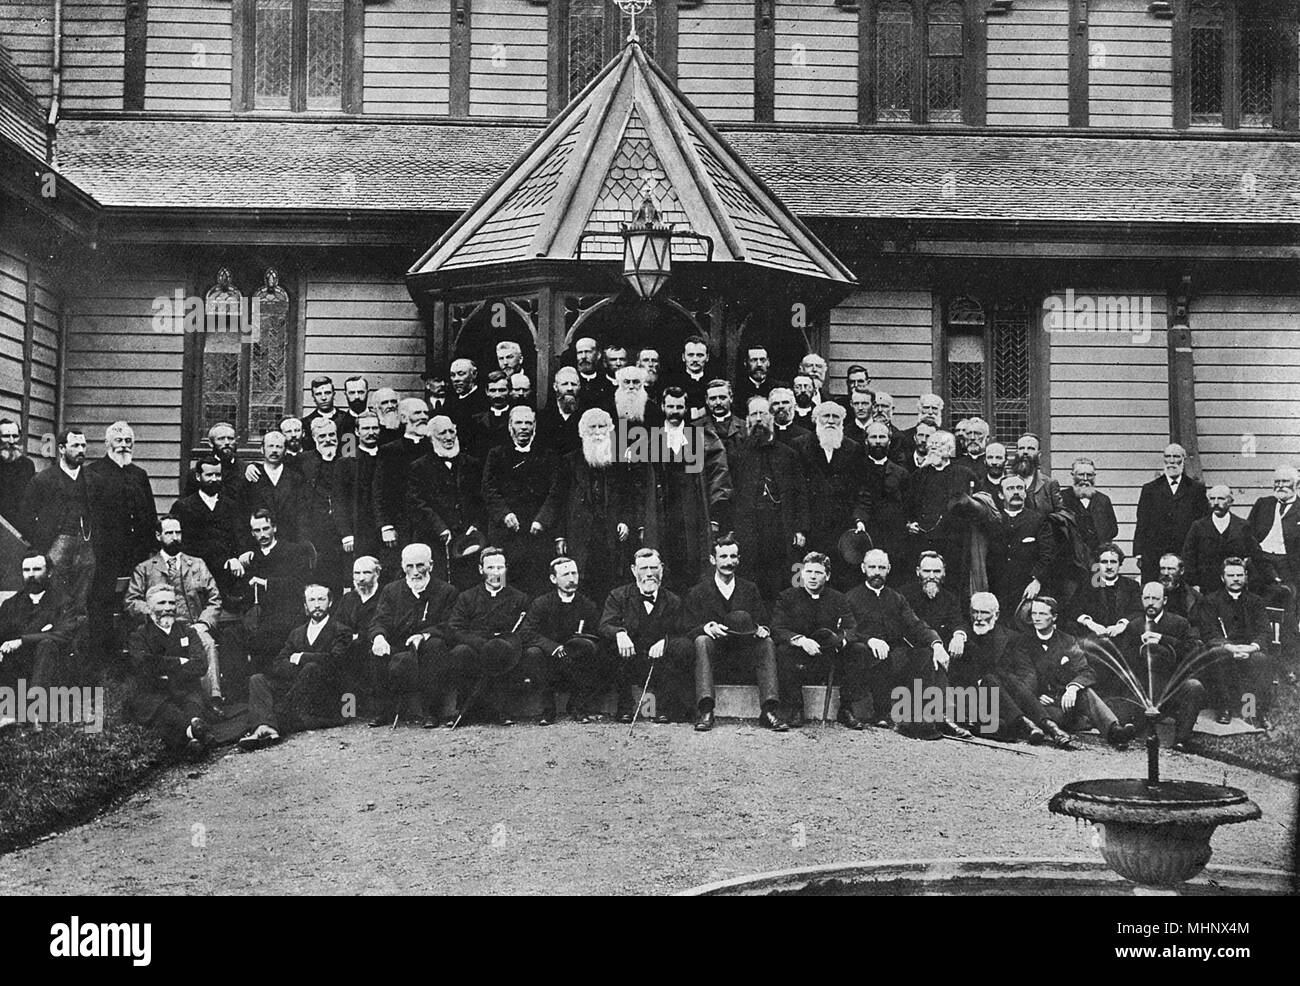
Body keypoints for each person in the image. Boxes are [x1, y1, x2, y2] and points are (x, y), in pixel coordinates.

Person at [846, 549, 965, 738]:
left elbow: (916, 624)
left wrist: (936, 644)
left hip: (894, 656)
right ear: (863, 568)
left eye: (882, 567)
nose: (877, 572)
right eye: (872, 567)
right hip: (866, 656)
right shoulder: (851, 597)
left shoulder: (896, 598)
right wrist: (869, 639)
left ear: (889, 569)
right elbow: (848, 630)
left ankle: (925, 721)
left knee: (926, 655)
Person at [1001, 597, 1135, 749]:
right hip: (1039, 706)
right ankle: (1081, 722)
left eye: (1042, 614)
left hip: (1064, 700)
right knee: (1060, 717)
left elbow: (1086, 670)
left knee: (1085, 691)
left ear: (1054, 617)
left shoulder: (1067, 640)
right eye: (1034, 613)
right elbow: (1023, 676)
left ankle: (1115, 730)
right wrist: (1036, 696)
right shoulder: (1022, 642)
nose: (1037, 618)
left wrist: (1072, 688)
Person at [685, 536, 788, 732]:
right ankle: (706, 710)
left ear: (739, 560)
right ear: (712, 560)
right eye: (723, 556)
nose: (728, 561)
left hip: (745, 655)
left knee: (767, 643)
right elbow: (687, 628)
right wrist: (708, 628)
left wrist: (761, 629)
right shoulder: (699, 591)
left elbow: (765, 622)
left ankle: (769, 710)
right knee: (701, 640)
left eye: (733, 556)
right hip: (716, 658)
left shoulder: (749, 589)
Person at [545, 408, 646, 600]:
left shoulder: (620, 460)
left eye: (602, 426)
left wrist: (626, 521)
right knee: (582, 584)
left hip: (612, 534)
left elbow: (630, 496)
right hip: (581, 534)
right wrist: (560, 536)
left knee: (613, 582)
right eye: (593, 427)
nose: (598, 431)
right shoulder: (570, 461)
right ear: (583, 431)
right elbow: (558, 500)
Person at [124, 515, 223, 703]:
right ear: (158, 536)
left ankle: (213, 700)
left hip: (193, 626)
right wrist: (154, 612)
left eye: (178, 532)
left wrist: (204, 622)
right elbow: (132, 601)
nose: (175, 537)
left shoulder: (197, 564)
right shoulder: (145, 568)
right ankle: (178, 700)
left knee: (207, 643)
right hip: (162, 629)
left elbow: (214, 598)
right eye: (169, 533)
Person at [239, 584, 350, 750]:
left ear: (330, 603)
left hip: (323, 696)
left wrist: (301, 658)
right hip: (296, 690)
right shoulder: (297, 633)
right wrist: (300, 666)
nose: (317, 604)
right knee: (257, 679)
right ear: (305, 605)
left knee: (311, 668)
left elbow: (335, 660)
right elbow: (278, 663)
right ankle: (266, 726)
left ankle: (269, 722)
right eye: (312, 600)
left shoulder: (341, 630)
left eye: (321, 599)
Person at [771, 552, 870, 729]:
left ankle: (846, 709)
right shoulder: (787, 597)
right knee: (783, 651)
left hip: (830, 658)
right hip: (801, 658)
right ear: (802, 573)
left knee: (858, 649)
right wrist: (800, 641)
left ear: (827, 576)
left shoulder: (838, 599)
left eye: (818, 573)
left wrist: (839, 640)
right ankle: (795, 709)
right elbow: (778, 629)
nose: (813, 577)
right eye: (808, 572)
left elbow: (851, 628)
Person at [367, 543, 459, 728]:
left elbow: (451, 626)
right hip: (400, 644)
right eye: (409, 566)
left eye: (420, 565)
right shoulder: (391, 591)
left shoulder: (446, 591)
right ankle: (384, 711)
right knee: (377, 650)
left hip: (430, 644)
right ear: (403, 566)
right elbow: (379, 620)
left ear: (431, 565)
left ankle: (431, 713)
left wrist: (425, 635)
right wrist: (379, 637)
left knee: (435, 646)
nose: (415, 572)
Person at [599, 548, 695, 724]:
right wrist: (620, 634)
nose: (649, 574)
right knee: (610, 645)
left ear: (662, 569)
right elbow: (605, 625)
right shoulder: (618, 596)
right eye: (643, 568)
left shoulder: (673, 600)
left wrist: (665, 642)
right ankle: (625, 707)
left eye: (654, 568)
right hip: (629, 661)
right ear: (633, 570)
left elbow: (683, 632)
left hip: (660, 664)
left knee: (683, 647)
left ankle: (663, 708)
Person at [649, 387, 730, 592]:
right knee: (666, 563)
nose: (675, 411)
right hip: (664, 513)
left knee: (694, 563)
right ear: (663, 407)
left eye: (679, 407)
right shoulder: (652, 440)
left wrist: (715, 516)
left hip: (694, 513)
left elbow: (719, 475)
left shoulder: (702, 437)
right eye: (670, 406)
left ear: (686, 409)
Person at [728, 396, 808, 601]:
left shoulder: (788, 454)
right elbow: (731, 493)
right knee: (751, 576)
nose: (758, 419)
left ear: (771, 417)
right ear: (747, 420)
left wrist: (800, 527)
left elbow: (800, 492)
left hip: (780, 526)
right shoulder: (738, 454)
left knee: (782, 576)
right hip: (749, 527)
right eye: (754, 414)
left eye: (763, 414)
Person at [1111, 581, 1207, 751]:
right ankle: (1130, 730)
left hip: (1171, 689)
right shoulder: (1134, 626)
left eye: (1155, 598)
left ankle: (1181, 740)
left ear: (1164, 600)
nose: (1150, 603)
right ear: (1141, 599)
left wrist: (1162, 638)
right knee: (1122, 727)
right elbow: (1124, 660)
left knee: (1194, 687)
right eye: (1146, 598)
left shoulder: (1179, 623)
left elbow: (1193, 650)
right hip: (1143, 691)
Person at [443, 547, 531, 725]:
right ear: (480, 570)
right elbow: (455, 628)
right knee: (460, 653)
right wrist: (481, 643)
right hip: (476, 648)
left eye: (500, 568)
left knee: (504, 654)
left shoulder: (519, 598)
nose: (496, 573)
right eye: (490, 568)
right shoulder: (467, 597)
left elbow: (526, 629)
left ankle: (502, 710)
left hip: (506, 650)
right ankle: (464, 709)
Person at [482, 406, 561, 597]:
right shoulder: (496, 454)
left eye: (528, 423)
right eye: (519, 423)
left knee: (537, 582)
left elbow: (556, 491)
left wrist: (542, 519)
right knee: (500, 579)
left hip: (538, 532)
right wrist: (504, 514)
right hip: (505, 532)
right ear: (510, 427)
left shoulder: (548, 455)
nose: (524, 427)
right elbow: (488, 488)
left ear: (535, 426)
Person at [20, 427, 101, 611]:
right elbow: (26, 517)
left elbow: (103, 516)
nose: (81, 450)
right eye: (75, 446)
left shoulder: (94, 480)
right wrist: (42, 540)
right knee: (54, 599)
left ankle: (78, 638)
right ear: (62, 449)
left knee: (81, 601)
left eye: (83, 445)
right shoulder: (43, 480)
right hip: (55, 546)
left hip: (86, 546)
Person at [123, 585, 210, 757]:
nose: (168, 607)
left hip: (186, 691)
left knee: (194, 706)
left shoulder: (188, 631)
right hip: (155, 694)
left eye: (172, 602)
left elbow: (200, 665)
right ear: (148, 608)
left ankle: (192, 735)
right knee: (167, 713)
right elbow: (144, 666)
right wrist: (180, 661)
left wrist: (164, 669)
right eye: (162, 603)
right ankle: (195, 736)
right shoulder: (139, 636)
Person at [790, 402, 869, 584]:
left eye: (836, 417)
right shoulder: (799, 446)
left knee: (839, 580)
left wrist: (859, 518)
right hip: (809, 528)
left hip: (841, 528)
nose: (831, 421)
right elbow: (793, 490)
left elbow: (862, 489)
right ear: (816, 419)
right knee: (804, 579)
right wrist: (799, 527)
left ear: (842, 421)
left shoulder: (853, 448)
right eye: (826, 416)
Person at [520, 556, 606, 723]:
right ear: (553, 579)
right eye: (566, 574)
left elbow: (597, 635)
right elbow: (527, 633)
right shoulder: (541, 603)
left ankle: (578, 706)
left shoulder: (587, 605)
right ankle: (548, 710)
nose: (572, 579)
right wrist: (553, 647)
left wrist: (579, 645)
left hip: (576, 662)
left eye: (574, 573)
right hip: (549, 661)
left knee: (592, 650)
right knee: (533, 653)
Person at [228, 509, 314, 672]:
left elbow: (298, 584)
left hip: (285, 614)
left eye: (265, 528)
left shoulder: (292, 551)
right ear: (252, 533)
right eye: (257, 531)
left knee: (267, 636)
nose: (262, 535)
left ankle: (262, 681)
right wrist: (235, 562)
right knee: (230, 636)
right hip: (256, 617)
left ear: (274, 528)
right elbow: (241, 592)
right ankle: (238, 693)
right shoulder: (251, 557)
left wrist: (266, 583)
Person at [407, 415, 485, 590]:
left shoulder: (471, 464)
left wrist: (475, 524)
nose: (449, 437)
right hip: (435, 538)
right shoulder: (419, 467)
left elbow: (481, 499)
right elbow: (416, 502)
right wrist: (439, 528)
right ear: (432, 436)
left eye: (452, 431)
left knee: (469, 583)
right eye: (443, 433)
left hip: (468, 538)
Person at [0, 554, 83, 716]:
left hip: (50, 668)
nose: (31, 574)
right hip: (17, 667)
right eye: (26, 570)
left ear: (49, 572)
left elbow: (64, 635)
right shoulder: (11, 604)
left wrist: (22, 640)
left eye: (37, 569)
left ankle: (36, 712)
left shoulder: (64, 602)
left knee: (47, 644)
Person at [1198, 557, 1273, 729]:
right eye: (1231, 575)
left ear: (1246, 576)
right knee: (1218, 654)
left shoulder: (1255, 601)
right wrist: (1230, 647)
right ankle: (1224, 708)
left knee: (1260, 659)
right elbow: (1209, 632)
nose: (1236, 579)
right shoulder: (1210, 601)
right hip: (1225, 649)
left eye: (1240, 575)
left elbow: (1264, 631)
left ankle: (1253, 711)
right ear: (1222, 578)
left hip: (1249, 650)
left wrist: (1251, 647)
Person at [974, 473, 1055, 620]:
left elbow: (1048, 554)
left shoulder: (1037, 520)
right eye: (1010, 489)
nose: (1016, 492)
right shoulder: (992, 521)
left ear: (1025, 493)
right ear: (1000, 494)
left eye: (1020, 488)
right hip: (997, 588)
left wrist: (1037, 580)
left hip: (1027, 589)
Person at [172, 455, 248, 608]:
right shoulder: (184, 507)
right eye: (209, 475)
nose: (214, 479)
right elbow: (186, 544)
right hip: (195, 575)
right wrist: (224, 560)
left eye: (218, 475)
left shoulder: (231, 506)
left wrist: (238, 557)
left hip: (228, 576)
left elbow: (240, 537)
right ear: (198, 477)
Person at [1133, 444, 1209, 584]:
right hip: (1155, 551)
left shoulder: (1196, 489)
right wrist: (1138, 552)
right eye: (1168, 457)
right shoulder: (1150, 489)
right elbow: (1142, 521)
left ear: (1184, 460)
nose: (1172, 461)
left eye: (1176, 457)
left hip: (1185, 549)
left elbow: (1203, 522)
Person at [1182, 485, 1268, 592]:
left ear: (1231, 502)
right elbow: (1188, 556)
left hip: (1234, 584)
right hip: (1206, 586)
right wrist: (1193, 583)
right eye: (1212, 499)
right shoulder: (1198, 526)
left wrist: (1271, 577)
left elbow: (1257, 555)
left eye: (1221, 499)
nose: (1216, 503)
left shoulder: (1242, 526)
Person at [299, 418, 351, 593]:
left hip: (342, 532)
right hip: (315, 531)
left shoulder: (347, 458)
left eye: (331, 435)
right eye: (322, 436)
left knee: (342, 580)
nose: (328, 440)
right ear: (314, 438)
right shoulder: (304, 460)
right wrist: (252, 466)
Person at [373, 397, 430, 554]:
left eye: (426, 413)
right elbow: (379, 491)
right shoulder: (389, 451)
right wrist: (386, 526)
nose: (424, 417)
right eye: (418, 413)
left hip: (430, 525)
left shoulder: (434, 448)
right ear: (404, 417)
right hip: (400, 525)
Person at [334, 555, 383, 717]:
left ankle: (377, 710)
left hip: (373, 644)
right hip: (351, 646)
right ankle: (349, 710)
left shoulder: (384, 596)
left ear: (377, 574)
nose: (361, 579)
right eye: (357, 573)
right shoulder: (349, 598)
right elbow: (338, 624)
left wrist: (359, 636)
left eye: (366, 573)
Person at [1066, 542, 1141, 642]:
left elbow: (1138, 611)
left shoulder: (1131, 586)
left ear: (1120, 564)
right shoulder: (1088, 585)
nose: (1109, 567)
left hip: (1123, 639)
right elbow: (1073, 609)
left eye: (1113, 562)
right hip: (1094, 640)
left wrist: (1122, 625)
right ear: (1098, 564)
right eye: (1104, 562)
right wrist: (1090, 624)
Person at [861, 421, 909, 578]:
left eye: (882, 437)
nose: (878, 441)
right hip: (865, 533)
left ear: (889, 441)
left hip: (893, 537)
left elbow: (907, 505)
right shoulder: (856, 468)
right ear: (866, 440)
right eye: (873, 437)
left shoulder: (901, 473)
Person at [241, 431, 304, 542]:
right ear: (262, 449)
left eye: (279, 447)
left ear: (285, 451)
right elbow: (242, 514)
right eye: (270, 446)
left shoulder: (296, 479)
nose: (274, 450)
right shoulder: (252, 477)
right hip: (258, 543)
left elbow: (302, 516)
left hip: (288, 543)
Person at [338, 411, 385, 560]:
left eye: (375, 428)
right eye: (366, 429)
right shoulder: (346, 462)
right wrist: (346, 534)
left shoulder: (389, 458)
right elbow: (340, 501)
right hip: (359, 531)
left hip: (385, 531)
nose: (371, 433)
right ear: (357, 432)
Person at [1060, 458, 1118, 552]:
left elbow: (1113, 530)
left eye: (1089, 475)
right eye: (1081, 474)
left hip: (1097, 555)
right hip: (1070, 556)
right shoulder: (1062, 498)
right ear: (1073, 475)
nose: (1085, 479)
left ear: (1094, 476)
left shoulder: (1103, 500)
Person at [537, 366, 582, 457]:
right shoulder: (543, 418)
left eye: (573, 384)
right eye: (565, 384)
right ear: (555, 386)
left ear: (579, 387)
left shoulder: (585, 416)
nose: (570, 388)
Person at [302, 375, 354, 454]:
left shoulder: (346, 419)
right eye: (318, 394)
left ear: (334, 394)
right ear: (313, 397)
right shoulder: (306, 423)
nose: (323, 398)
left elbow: (350, 452)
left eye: (327, 393)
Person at [468, 370, 514, 457]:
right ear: (487, 392)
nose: (497, 395)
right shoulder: (476, 420)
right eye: (493, 390)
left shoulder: (516, 418)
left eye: (502, 390)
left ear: (509, 391)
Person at [0, 417, 35, 529]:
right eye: (6, 436)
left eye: (15, 436)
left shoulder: (27, 465)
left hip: (19, 529)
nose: (11, 441)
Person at [704, 379, 747, 458]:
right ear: (707, 400)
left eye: (722, 398)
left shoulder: (745, 428)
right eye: (713, 399)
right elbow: (693, 467)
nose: (718, 403)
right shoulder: (696, 428)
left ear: (731, 398)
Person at [447, 357, 487, 429]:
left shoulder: (483, 400)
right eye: (453, 375)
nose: (456, 379)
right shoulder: (450, 403)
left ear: (474, 374)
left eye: (461, 374)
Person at [733, 346, 772, 411]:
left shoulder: (778, 387)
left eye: (763, 360)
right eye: (754, 360)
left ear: (768, 362)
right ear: (745, 363)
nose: (759, 364)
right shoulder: (737, 390)